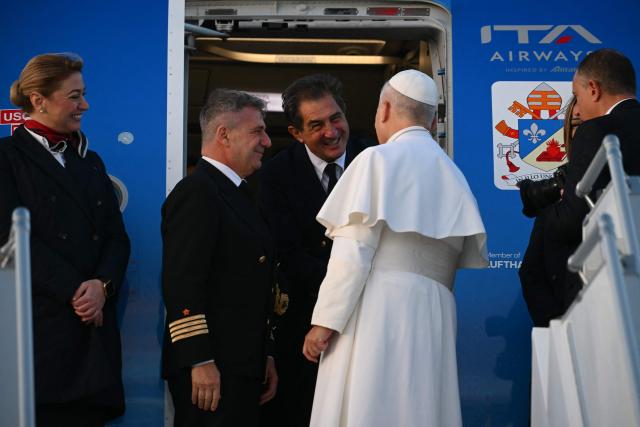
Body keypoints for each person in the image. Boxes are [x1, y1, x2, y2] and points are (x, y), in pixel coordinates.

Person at [302, 70, 488, 426]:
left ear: (384, 110)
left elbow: (353, 254)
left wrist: (324, 323)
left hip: (380, 310)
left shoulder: (377, 160)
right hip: (434, 311)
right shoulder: (454, 175)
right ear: (432, 121)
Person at [0, 53, 130, 426]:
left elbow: (116, 238)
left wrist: (102, 286)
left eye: (83, 94)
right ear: (39, 99)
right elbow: (8, 238)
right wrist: (76, 289)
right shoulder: (6, 158)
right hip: (37, 342)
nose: (84, 105)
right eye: (74, 96)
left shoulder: (91, 161)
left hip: (92, 345)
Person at [162, 89, 278, 427]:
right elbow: (182, 283)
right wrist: (199, 360)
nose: (267, 142)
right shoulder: (198, 192)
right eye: (257, 131)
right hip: (211, 370)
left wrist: (264, 355)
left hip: (241, 367)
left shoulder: (239, 195)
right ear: (223, 134)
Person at [258, 74, 369, 427]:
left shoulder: (376, 160)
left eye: (336, 118)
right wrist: (348, 283)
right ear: (296, 133)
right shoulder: (274, 176)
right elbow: (286, 254)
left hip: (370, 323)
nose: (332, 131)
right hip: (305, 331)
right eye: (316, 124)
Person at [541, 48, 640, 313]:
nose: (579, 108)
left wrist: (547, 209)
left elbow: (569, 222)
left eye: (577, 95)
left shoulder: (595, 131)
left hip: (611, 286)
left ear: (593, 89)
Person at [518, 97, 582, 326]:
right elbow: (531, 273)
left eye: (589, 125)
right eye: (575, 125)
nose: (583, 133)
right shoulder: (555, 195)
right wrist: (557, 324)